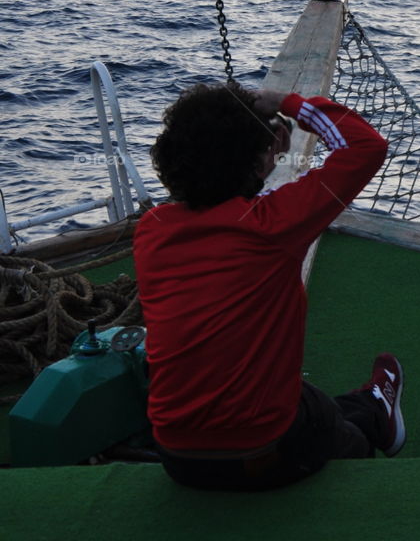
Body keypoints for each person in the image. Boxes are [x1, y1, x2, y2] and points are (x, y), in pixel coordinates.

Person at [133, 80, 405, 491]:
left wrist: (260, 152)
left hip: (178, 459)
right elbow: (365, 147)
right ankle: (376, 421)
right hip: (265, 456)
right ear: (259, 164)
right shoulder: (272, 226)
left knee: (304, 397)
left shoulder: (150, 231)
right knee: (329, 424)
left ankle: (367, 404)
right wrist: (287, 102)